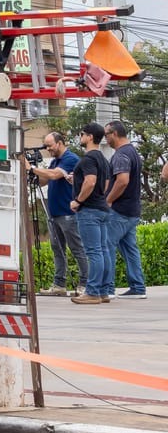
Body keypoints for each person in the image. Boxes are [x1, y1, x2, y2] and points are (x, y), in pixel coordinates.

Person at [26, 129, 82, 296]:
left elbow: (55, 175)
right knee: (57, 249)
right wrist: (29, 172)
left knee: (77, 248)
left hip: (68, 212)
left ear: (59, 143)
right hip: (55, 213)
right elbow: (45, 180)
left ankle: (85, 284)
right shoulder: (55, 161)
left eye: (49, 146)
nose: (47, 149)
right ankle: (59, 284)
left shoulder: (70, 159)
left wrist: (33, 168)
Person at [70, 122, 115, 304]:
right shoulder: (103, 159)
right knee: (103, 251)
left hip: (89, 210)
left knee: (94, 252)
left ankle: (93, 291)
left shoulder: (88, 159)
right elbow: (104, 185)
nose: (80, 136)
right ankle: (103, 291)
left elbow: (90, 181)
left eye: (82, 133)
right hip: (102, 207)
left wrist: (78, 200)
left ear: (89, 137)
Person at [104, 121, 148, 298]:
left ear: (114, 134)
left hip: (120, 210)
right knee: (130, 249)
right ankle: (138, 287)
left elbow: (122, 181)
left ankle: (107, 288)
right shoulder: (133, 153)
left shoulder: (121, 155)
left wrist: (108, 200)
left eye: (106, 134)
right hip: (132, 209)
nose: (105, 138)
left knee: (106, 245)